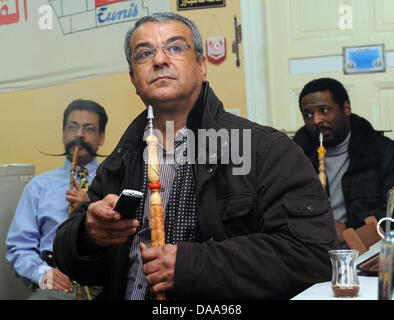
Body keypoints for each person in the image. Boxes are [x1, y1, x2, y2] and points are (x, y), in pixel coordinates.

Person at [53, 13, 337, 300]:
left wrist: (191, 265)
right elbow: (69, 257)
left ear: (202, 66)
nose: (159, 60)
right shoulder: (124, 156)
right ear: (133, 78)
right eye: (144, 53)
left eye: (175, 48)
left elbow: (311, 256)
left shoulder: (264, 149)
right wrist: (88, 235)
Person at [6, 99, 108, 299]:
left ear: (101, 137)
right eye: (72, 127)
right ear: (63, 134)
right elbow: (19, 247)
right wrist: (43, 274)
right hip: (57, 286)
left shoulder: (115, 181)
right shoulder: (39, 186)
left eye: (89, 128)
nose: (79, 134)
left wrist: (91, 209)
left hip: (105, 284)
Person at [293, 77, 394, 245]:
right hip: (311, 247)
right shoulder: (295, 156)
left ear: (346, 108)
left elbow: (390, 213)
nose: (316, 120)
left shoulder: (384, 152)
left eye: (324, 110)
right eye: (308, 115)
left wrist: (349, 229)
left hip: (369, 248)